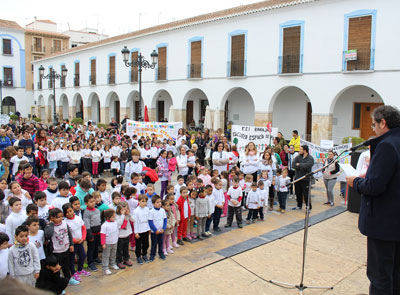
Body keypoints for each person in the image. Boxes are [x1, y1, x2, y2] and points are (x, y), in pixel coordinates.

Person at [346, 105, 400, 295]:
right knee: (395, 273)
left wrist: (356, 182)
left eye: (374, 124)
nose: (373, 129)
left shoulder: (386, 145)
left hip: (384, 222)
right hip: (395, 221)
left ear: (383, 123)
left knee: (380, 276)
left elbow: (375, 187)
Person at [292, 145, 314, 210]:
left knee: (306, 194)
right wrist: (301, 166)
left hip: (305, 179)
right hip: (297, 178)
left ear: (305, 150)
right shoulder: (298, 157)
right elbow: (293, 165)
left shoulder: (310, 158)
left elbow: (308, 166)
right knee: (298, 192)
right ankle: (299, 205)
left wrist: (299, 164)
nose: (299, 150)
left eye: (301, 149)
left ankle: (308, 207)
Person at [100, 209, 120, 275]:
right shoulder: (105, 225)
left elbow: (119, 227)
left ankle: (112, 264)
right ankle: (105, 268)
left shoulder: (115, 222)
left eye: (115, 216)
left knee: (113, 254)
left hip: (114, 242)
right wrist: (103, 243)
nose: (115, 218)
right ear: (108, 218)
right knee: (106, 255)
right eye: (113, 217)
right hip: (107, 243)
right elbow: (103, 235)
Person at [148, 195, 167, 262]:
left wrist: (163, 228)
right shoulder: (151, 211)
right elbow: (150, 222)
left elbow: (165, 220)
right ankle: (152, 255)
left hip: (161, 231)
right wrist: (155, 230)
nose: (159, 204)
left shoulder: (162, 210)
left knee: (161, 243)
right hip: (154, 232)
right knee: (154, 244)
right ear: (153, 203)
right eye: (157, 202)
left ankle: (161, 253)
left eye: (160, 202)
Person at [133, 194, 150, 265]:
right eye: (142, 201)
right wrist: (136, 232)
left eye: (145, 201)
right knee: (138, 245)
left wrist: (149, 229)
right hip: (139, 229)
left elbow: (149, 220)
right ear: (139, 201)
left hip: (146, 228)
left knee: (146, 243)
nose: (144, 203)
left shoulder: (147, 209)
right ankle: (138, 256)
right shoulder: (136, 211)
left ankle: (144, 254)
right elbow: (135, 222)